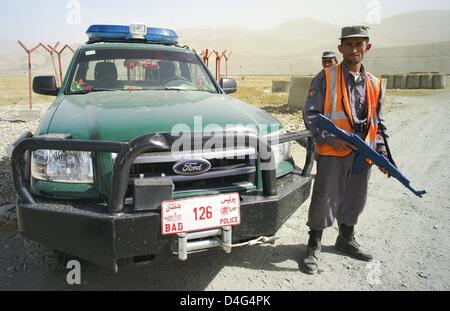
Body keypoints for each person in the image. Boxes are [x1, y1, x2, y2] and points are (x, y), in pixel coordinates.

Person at [301, 25, 389, 275]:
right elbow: (311, 114)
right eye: (348, 44)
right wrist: (330, 138)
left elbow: (378, 122)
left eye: (359, 44)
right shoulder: (325, 77)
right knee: (324, 198)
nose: (353, 49)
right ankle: (314, 245)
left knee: (355, 197)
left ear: (367, 48)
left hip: (363, 153)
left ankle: (345, 240)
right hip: (333, 150)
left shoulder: (374, 83)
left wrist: (380, 152)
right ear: (340, 48)